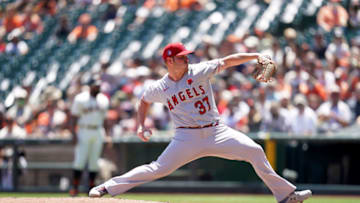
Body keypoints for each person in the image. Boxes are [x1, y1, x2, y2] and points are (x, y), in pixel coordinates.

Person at [89, 43, 312, 203]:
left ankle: (285, 196)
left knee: (254, 151)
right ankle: (107, 186)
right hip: (186, 137)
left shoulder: (198, 71)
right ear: (169, 61)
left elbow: (227, 61)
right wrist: (140, 124)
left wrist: (255, 55)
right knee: (157, 168)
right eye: (182, 57)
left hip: (217, 132)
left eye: (187, 56)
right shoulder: (160, 87)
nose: (187, 59)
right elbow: (143, 101)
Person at [69, 78, 111, 196]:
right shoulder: (81, 98)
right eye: (95, 86)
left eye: (98, 86)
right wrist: (73, 134)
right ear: (90, 86)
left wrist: (108, 135)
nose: (97, 88)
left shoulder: (103, 99)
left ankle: (92, 188)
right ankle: (75, 188)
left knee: (94, 162)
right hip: (83, 130)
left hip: (97, 130)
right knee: (80, 160)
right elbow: (73, 118)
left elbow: (106, 119)